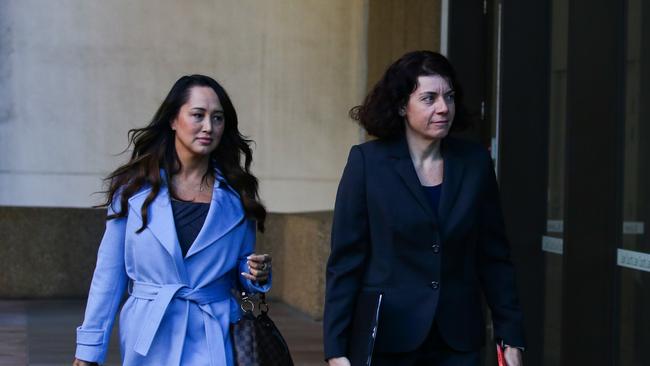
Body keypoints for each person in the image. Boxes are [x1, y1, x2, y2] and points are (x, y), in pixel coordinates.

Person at [323, 51, 525, 366]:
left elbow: (494, 258)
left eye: (449, 97)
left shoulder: (475, 164)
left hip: (457, 340)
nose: (444, 108)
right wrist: (336, 348)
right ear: (403, 105)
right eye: (429, 98)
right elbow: (346, 261)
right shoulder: (367, 163)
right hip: (389, 337)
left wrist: (510, 336)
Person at [73, 74, 272, 366]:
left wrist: (257, 273)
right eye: (198, 115)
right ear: (173, 120)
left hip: (213, 334)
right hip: (149, 334)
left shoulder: (238, 194)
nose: (208, 127)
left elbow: (241, 272)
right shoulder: (133, 188)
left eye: (217, 118)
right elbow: (109, 274)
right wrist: (89, 348)